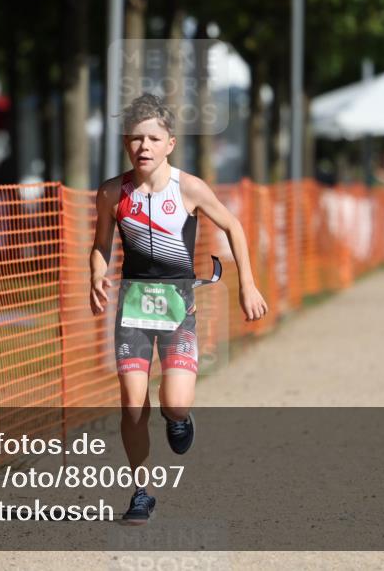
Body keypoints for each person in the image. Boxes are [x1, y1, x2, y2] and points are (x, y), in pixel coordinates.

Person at [89, 93, 268, 524]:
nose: (143, 147)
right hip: (132, 307)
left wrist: (247, 284)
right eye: (135, 138)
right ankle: (141, 491)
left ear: (170, 142)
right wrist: (95, 274)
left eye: (153, 138)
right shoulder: (113, 193)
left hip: (177, 309)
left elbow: (234, 226)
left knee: (174, 402)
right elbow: (99, 246)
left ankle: (178, 416)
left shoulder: (188, 188)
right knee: (132, 404)